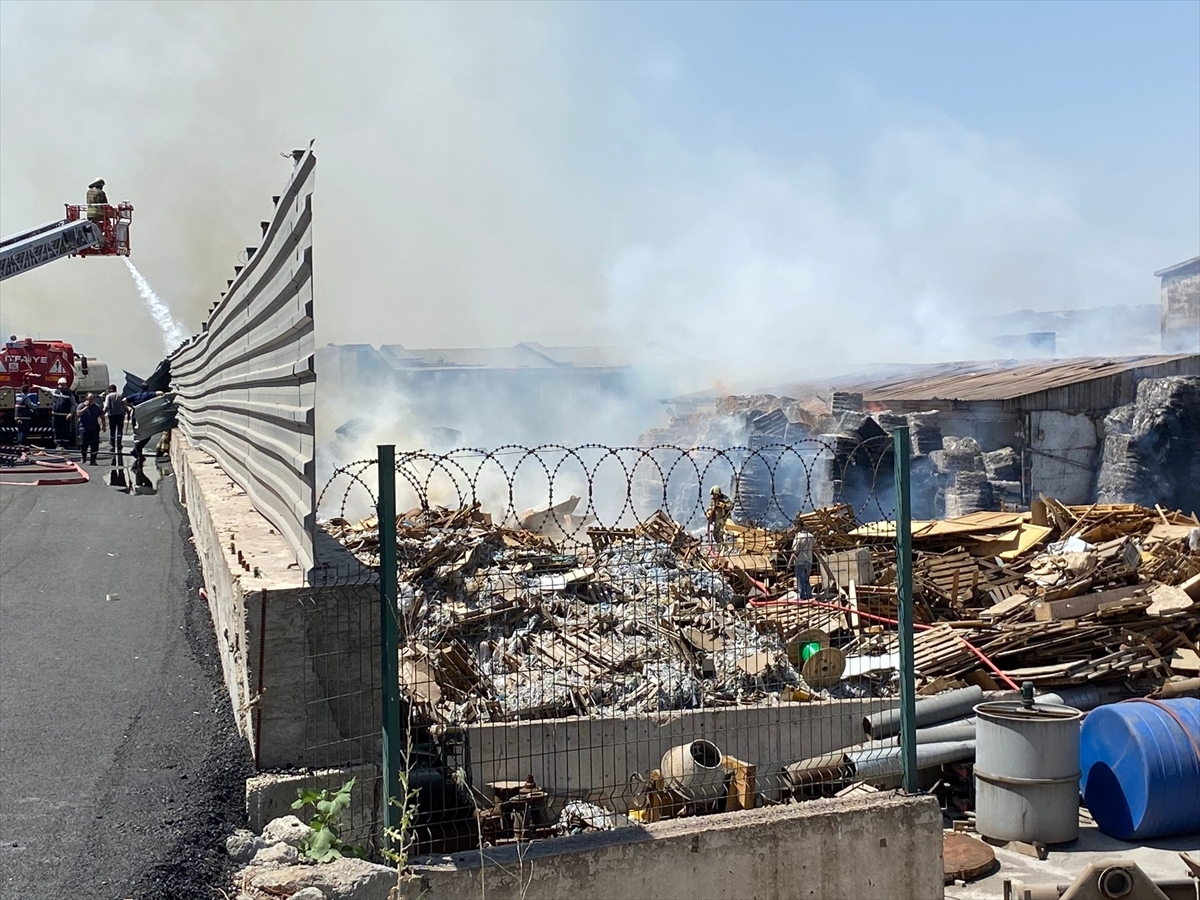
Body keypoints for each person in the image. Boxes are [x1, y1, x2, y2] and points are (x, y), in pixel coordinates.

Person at [76, 393, 103, 465]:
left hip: (94, 429)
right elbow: (78, 414)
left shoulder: (96, 407)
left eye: (92, 399)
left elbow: (102, 415)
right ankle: (84, 457)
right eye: (89, 399)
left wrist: (104, 425)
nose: (90, 401)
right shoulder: (81, 406)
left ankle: (93, 460)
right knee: (83, 444)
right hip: (84, 428)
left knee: (94, 445)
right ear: (86, 399)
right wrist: (86, 408)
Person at [789, 529, 816, 600]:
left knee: (800, 580)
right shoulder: (811, 536)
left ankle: (801, 597)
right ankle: (809, 595)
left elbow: (795, 552)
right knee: (806, 579)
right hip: (809, 561)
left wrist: (790, 563)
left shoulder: (798, 537)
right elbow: (815, 548)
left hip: (800, 561)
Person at [50, 377, 76, 450]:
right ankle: (58, 444)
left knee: (65, 430)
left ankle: (65, 445)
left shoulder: (69, 394)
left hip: (65, 416)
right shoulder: (55, 391)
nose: (61, 386)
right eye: (60, 385)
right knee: (57, 430)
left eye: (63, 385)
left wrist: (71, 413)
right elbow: (46, 389)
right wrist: (38, 387)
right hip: (56, 415)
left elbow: (73, 404)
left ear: (65, 385)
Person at [102, 384, 128, 452]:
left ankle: (113, 442)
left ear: (111, 389)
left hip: (112, 415)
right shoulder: (121, 395)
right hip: (121, 415)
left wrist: (102, 413)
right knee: (120, 429)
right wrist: (127, 411)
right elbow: (124, 405)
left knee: (112, 429)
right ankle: (119, 442)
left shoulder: (109, 396)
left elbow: (106, 406)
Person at [14, 379, 37, 445]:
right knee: (24, 431)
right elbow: (32, 406)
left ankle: (19, 444)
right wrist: (38, 405)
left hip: (18, 416)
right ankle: (22, 445)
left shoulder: (18, 397)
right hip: (24, 417)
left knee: (19, 431)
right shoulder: (26, 398)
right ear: (27, 390)